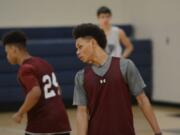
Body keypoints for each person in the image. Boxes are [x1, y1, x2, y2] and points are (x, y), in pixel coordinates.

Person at [72, 23, 162, 135]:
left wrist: (158, 132)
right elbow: (81, 112)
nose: (77, 52)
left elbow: (142, 100)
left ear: (93, 43)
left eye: (80, 47)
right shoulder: (81, 77)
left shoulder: (125, 66)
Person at [2, 31, 71, 135]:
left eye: (7, 52)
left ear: (14, 49)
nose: (7, 56)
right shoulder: (43, 62)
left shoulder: (25, 68)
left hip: (42, 124)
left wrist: (20, 113)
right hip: (62, 122)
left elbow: (35, 92)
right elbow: (58, 89)